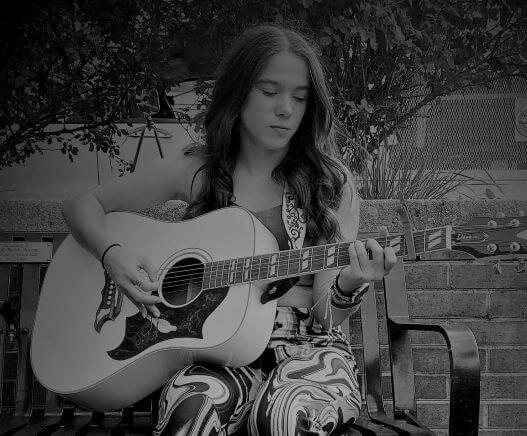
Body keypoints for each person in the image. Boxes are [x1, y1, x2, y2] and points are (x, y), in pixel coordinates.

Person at [62, 23, 397, 436]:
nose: (286, 110)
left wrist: (351, 283)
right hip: (216, 353)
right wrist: (112, 255)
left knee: (285, 419)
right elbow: (82, 204)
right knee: (191, 413)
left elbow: (325, 316)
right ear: (238, 94)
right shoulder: (199, 170)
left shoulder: (329, 182)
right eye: (270, 91)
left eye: (299, 97)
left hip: (309, 351)